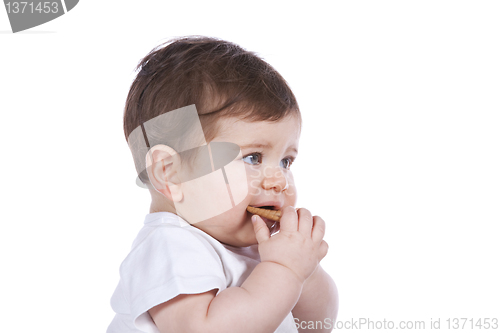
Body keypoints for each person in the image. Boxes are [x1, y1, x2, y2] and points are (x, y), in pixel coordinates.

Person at [107, 35, 339, 333]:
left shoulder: (264, 249)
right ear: (169, 173)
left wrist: (306, 271)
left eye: (286, 161)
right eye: (253, 157)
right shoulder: (170, 245)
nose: (279, 180)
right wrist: (284, 271)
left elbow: (316, 326)